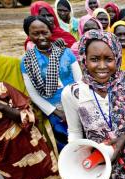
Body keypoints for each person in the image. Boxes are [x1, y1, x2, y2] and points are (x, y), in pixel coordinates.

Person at [62, 30, 125, 179]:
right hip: (98, 162)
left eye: (108, 59)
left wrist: (124, 139)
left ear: (117, 58)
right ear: (84, 59)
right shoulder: (72, 93)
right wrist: (75, 161)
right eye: (94, 59)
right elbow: (74, 132)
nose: (102, 66)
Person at [0, 29, 59, 179]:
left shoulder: (12, 64)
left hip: (32, 127)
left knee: (48, 171)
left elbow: (31, 97)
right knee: (21, 176)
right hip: (2, 142)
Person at [21, 16, 82, 151]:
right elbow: (34, 94)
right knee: (65, 144)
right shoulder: (26, 61)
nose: (41, 37)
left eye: (44, 32)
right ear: (29, 35)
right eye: (35, 34)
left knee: (84, 139)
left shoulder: (66, 52)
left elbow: (79, 81)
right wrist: (58, 113)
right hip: (54, 112)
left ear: (51, 32)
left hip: (76, 105)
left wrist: (75, 108)